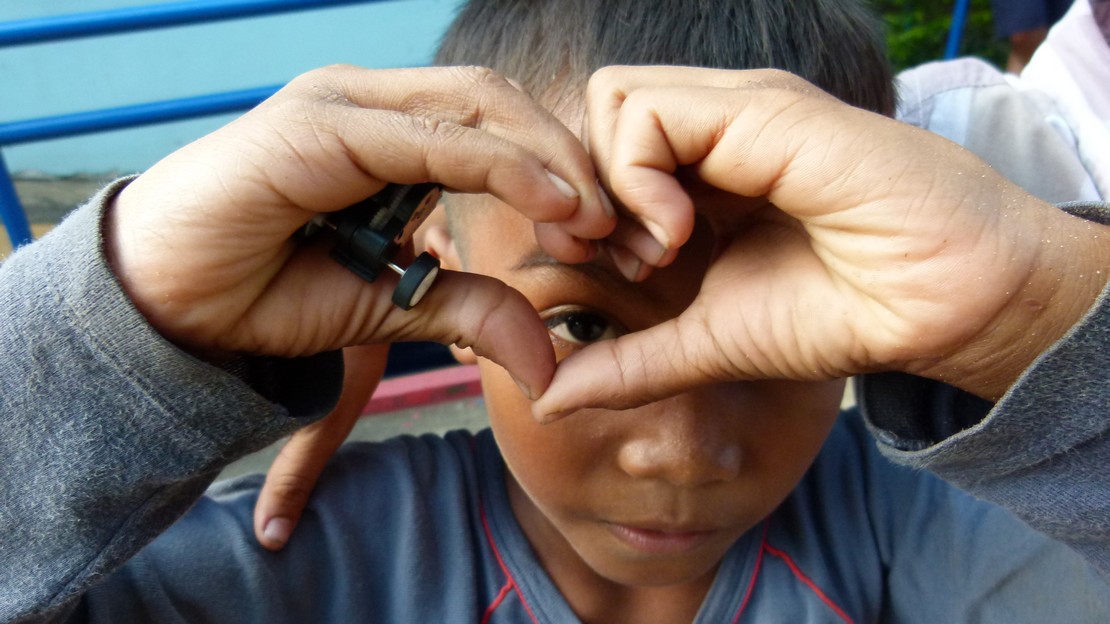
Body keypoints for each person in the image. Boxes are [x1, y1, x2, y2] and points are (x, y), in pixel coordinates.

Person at [1, 2, 1108, 623]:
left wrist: (1048, 319)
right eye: (583, 321)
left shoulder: (921, 533)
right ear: (435, 253)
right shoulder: (311, 562)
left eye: (781, 337)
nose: (686, 449)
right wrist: (118, 329)